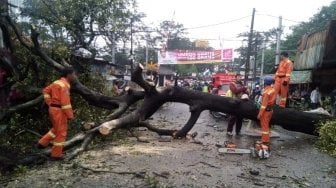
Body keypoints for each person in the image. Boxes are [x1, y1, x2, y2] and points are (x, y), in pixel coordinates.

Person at [37, 68, 75, 160]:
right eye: (74, 74)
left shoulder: (56, 82)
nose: (74, 76)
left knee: (56, 128)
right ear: (68, 75)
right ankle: (56, 155)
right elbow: (65, 103)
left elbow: (45, 91)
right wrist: (70, 115)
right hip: (59, 111)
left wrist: (50, 103)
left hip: (53, 109)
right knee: (61, 132)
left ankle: (42, 143)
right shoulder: (65, 85)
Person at [257, 76, 276, 146]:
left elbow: (263, 105)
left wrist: (260, 114)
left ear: (265, 83)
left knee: (264, 127)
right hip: (270, 110)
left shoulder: (266, 92)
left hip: (265, 111)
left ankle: (265, 141)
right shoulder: (272, 90)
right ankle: (265, 139)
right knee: (267, 126)